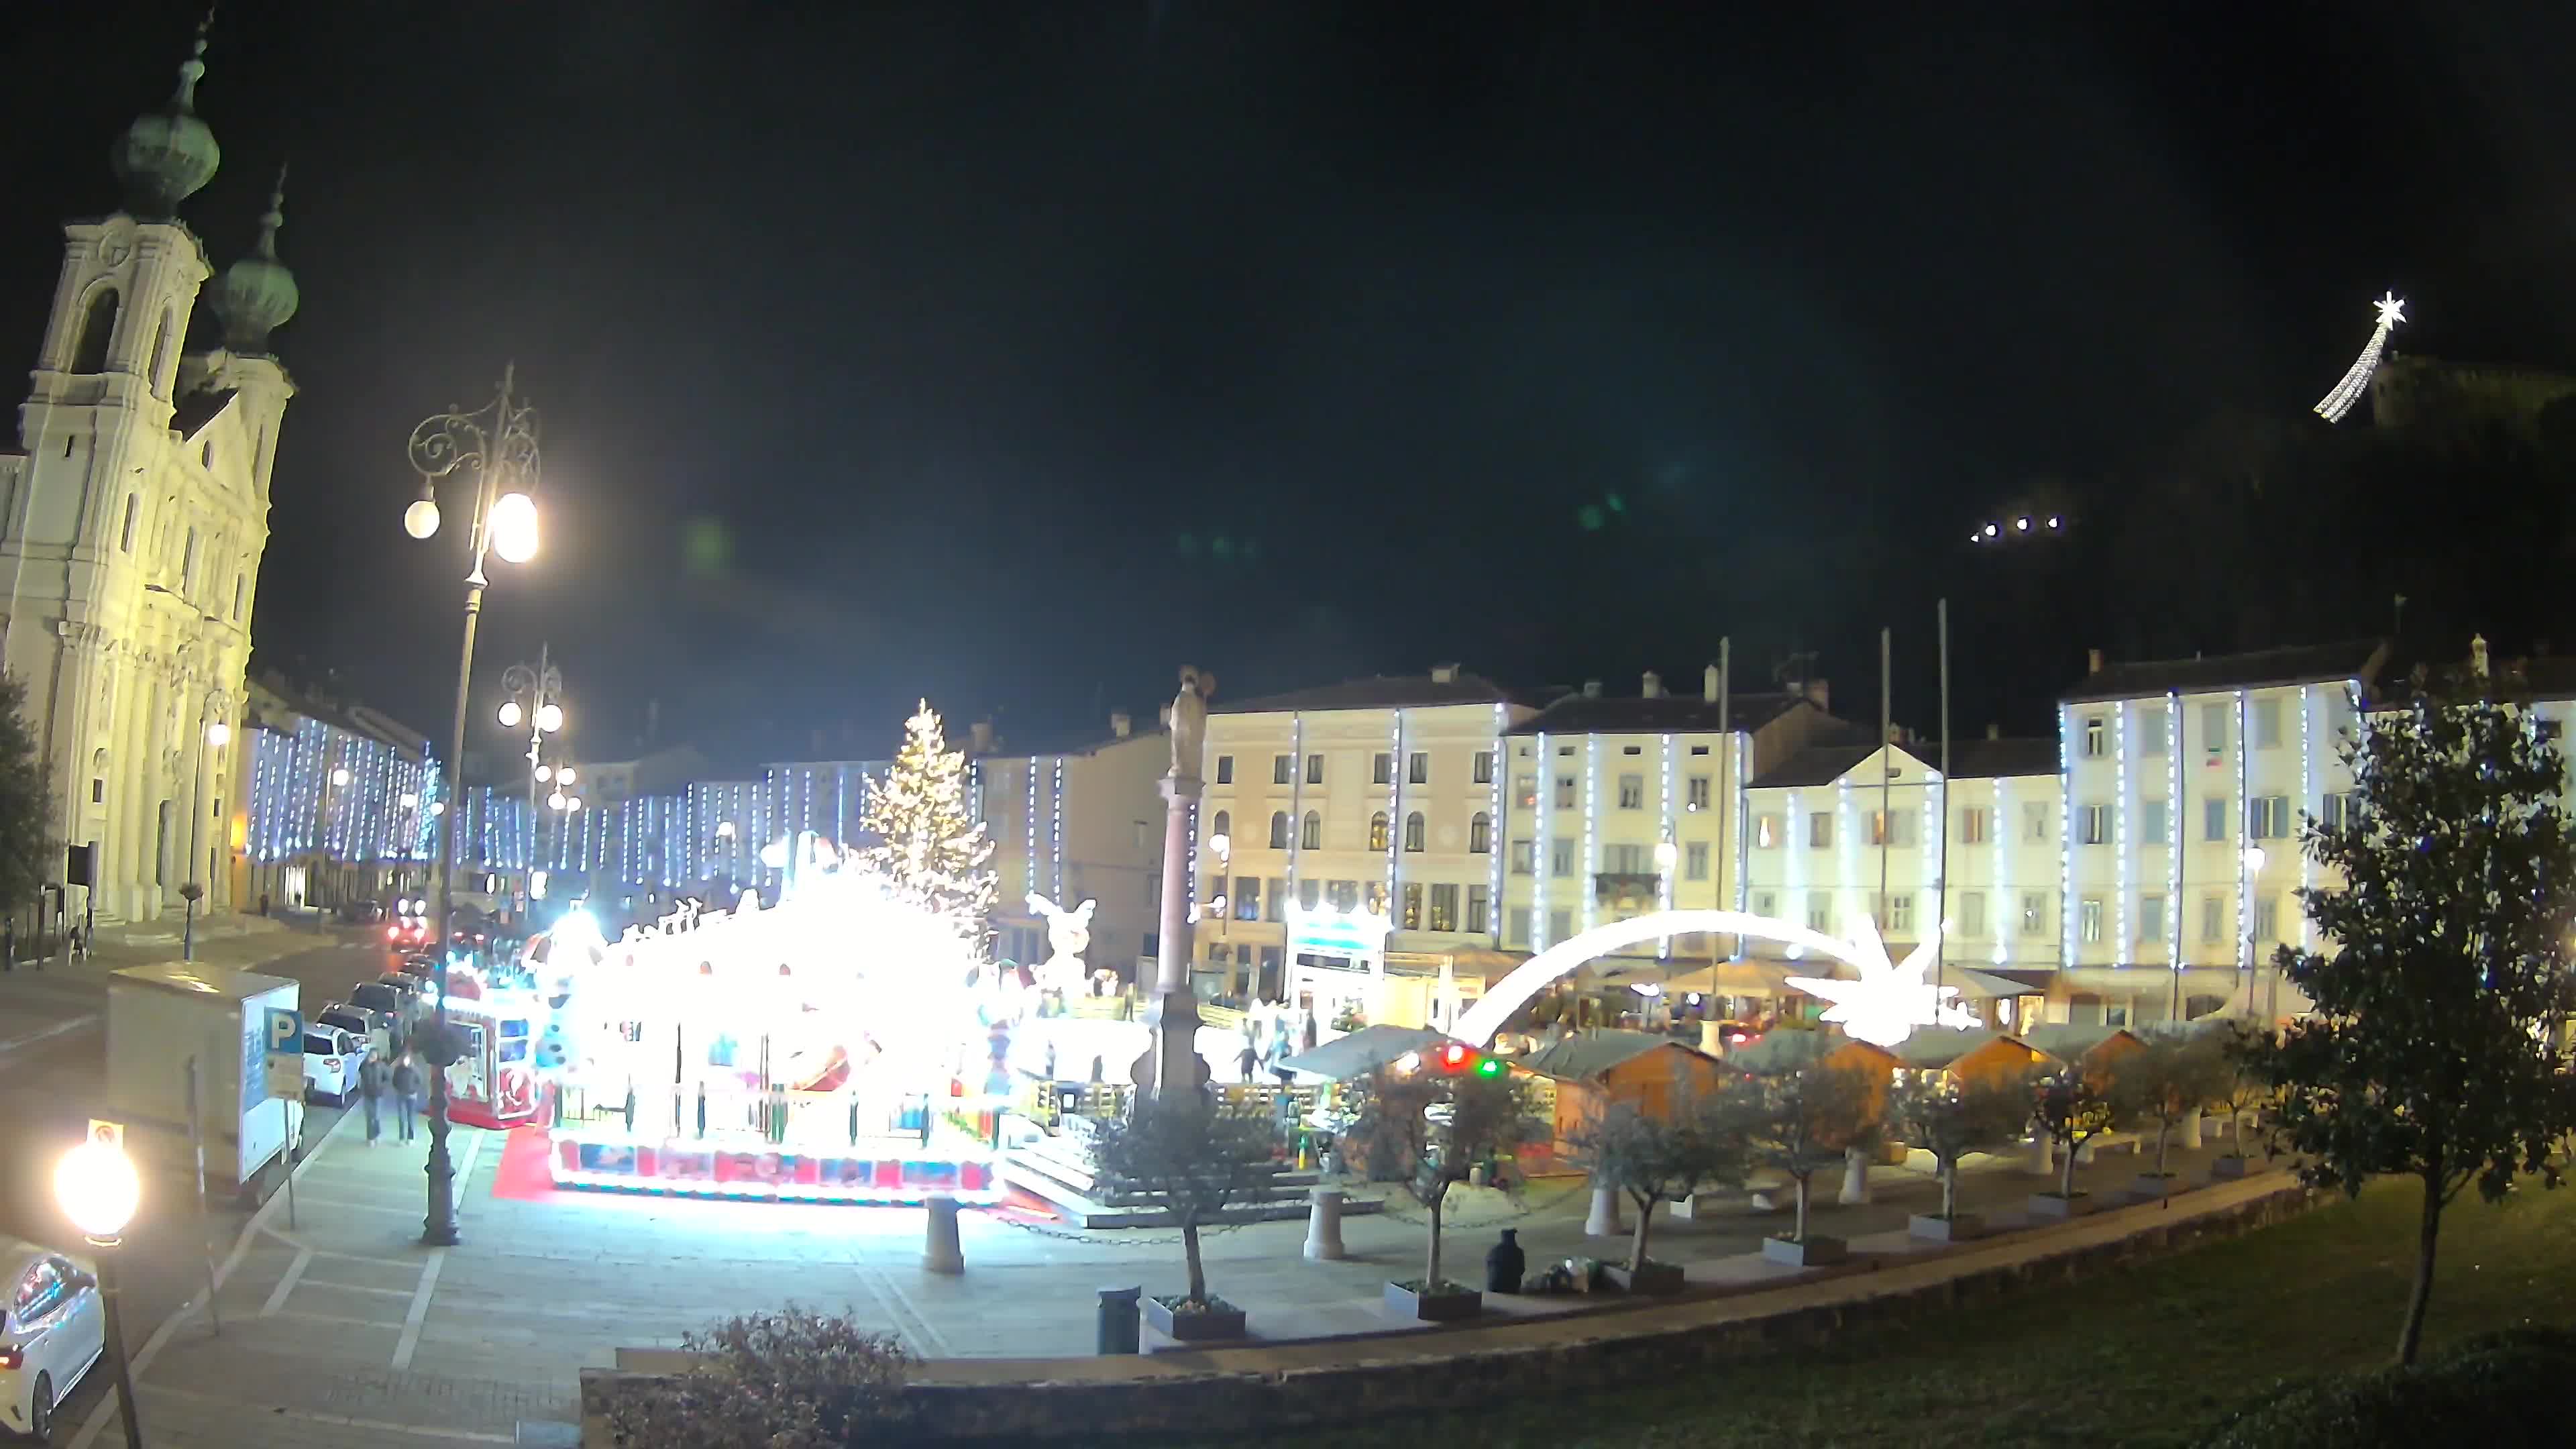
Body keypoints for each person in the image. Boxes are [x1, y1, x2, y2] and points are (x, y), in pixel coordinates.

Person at [392, 1050, 423, 1143]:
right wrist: (398, 1088)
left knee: (410, 1117)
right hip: (400, 1094)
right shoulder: (398, 1069)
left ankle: (410, 1137)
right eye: (404, 1059)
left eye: (407, 1059)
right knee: (401, 1117)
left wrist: (414, 1090)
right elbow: (394, 1080)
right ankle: (401, 1137)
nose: (405, 1061)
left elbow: (420, 1081)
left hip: (411, 1096)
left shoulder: (415, 1070)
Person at [360, 1054, 389, 1145]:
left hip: (378, 1095)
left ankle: (377, 1134)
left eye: (373, 1057)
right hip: (367, 1095)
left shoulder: (381, 1066)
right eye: (370, 1057)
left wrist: (382, 1086)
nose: (371, 1059)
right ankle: (370, 1138)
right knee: (369, 1117)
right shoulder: (364, 1066)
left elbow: (387, 1077)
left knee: (376, 1117)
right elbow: (361, 1076)